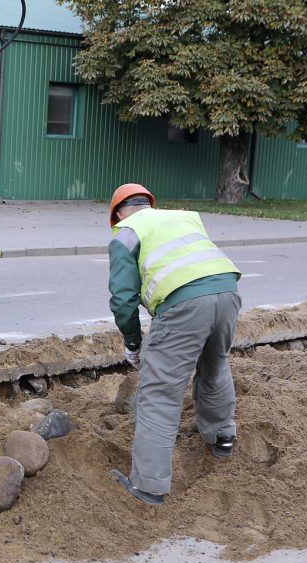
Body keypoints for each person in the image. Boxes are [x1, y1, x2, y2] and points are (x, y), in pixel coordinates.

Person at [106, 183, 242, 505]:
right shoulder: (184, 217)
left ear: (117, 215)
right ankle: (222, 438)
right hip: (228, 293)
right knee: (214, 364)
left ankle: (148, 486)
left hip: (185, 304)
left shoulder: (125, 233)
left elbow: (123, 300)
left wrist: (134, 343)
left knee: (160, 391)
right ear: (150, 204)